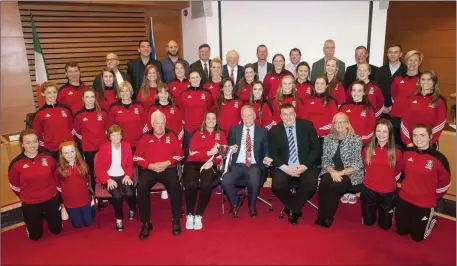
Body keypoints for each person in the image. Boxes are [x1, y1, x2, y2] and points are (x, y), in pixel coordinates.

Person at [395, 124, 450, 242]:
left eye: (422, 135)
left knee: (417, 238)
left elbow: (445, 183)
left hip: (424, 202)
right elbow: (398, 170)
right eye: (415, 135)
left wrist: (434, 197)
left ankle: (432, 218)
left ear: (430, 136)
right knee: (401, 231)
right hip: (405, 197)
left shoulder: (439, 158)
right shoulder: (407, 154)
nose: (418, 139)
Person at [134, 111, 184, 239]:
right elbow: (137, 158)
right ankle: (146, 222)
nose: (160, 126)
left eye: (162, 123)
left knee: (175, 185)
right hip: (150, 169)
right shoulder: (145, 137)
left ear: (165, 123)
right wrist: (150, 165)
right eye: (157, 123)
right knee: (142, 187)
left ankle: (176, 219)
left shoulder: (171, 135)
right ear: (152, 124)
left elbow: (179, 154)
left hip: (168, 168)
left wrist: (168, 162)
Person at [269, 104, 321, 225]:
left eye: (291, 113)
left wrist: (305, 166)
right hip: (285, 166)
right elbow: (274, 154)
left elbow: (316, 149)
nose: (288, 117)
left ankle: (293, 208)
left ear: (295, 114)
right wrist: (286, 168)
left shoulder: (307, 126)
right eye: (285, 114)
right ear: (281, 116)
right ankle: (296, 207)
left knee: (310, 184)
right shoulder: (274, 131)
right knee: (277, 185)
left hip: (304, 165)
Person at [8, 129, 62, 241]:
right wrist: (26, 196)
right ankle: (29, 222)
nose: (32, 145)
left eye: (35, 142)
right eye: (28, 143)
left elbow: (55, 175)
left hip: (50, 197)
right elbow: (14, 185)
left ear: (38, 142)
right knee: (35, 237)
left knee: (57, 230)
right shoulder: (16, 164)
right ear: (22, 144)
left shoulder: (48, 157)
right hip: (30, 201)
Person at [221, 105, 272, 219]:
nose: (247, 118)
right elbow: (228, 146)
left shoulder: (262, 131)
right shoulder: (234, 129)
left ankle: (252, 205)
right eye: (244, 115)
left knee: (254, 179)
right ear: (241, 117)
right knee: (225, 180)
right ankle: (235, 201)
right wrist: (231, 149)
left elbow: (266, 149)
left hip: (254, 164)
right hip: (237, 165)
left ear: (254, 116)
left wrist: (266, 158)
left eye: (249, 115)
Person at [315, 112, 364, 228]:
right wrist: (332, 172)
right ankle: (320, 214)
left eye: (342, 122)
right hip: (331, 171)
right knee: (324, 183)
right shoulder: (328, 138)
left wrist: (339, 173)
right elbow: (325, 159)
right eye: (336, 122)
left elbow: (356, 164)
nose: (339, 124)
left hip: (349, 173)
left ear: (347, 124)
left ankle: (328, 217)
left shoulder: (355, 139)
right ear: (333, 124)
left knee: (335, 186)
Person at [183, 111, 227, 230]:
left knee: (206, 184)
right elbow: (192, 155)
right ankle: (190, 214)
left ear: (216, 121)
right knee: (191, 184)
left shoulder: (221, 134)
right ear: (205, 120)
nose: (211, 121)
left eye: (214, 119)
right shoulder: (197, 133)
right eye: (209, 118)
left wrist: (212, 162)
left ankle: (198, 215)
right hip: (193, 164)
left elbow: (222, 154)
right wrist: (208, 153)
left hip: (210, 164)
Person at [361, 119, 402, 230]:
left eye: (385, 131)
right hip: (369, 189)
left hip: (387, 191)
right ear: (375, 132)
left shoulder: (397, 151)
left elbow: (399, 169)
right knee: (368, 223)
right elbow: (365, 166)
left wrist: (388, 179)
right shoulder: (366, 148)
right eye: (378, 131)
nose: (381, 134)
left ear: (390, 133)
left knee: (385, 226)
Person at [95, 125, 136, 231]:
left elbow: (130, 164)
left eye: (118, 135)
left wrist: (127, 175)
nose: (116, 138)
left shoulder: (127, 146)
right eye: (113, 135)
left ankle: (132, 209)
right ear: (109, 136)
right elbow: (99, 168)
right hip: (109, 176)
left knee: (130, 193)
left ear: (122, 136)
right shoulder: (104, 147)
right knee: (117, 196)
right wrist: (107, 179)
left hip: (123, 175)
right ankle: (119, 219)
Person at [73, 88, 110, 191]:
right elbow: (76, 132)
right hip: (89, 149)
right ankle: (96, 193)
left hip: (103, 147)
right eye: (87, 97)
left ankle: (109, 190)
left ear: (95, 99)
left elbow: (108, 130)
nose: (90, 99)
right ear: (83, 99)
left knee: (106, 169)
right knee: (93, 171)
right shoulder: (79, 115)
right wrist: (86, 140)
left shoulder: (103, 113)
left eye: (92, 97)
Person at [400, 70, 447, 148]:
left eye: (429, 79)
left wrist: (428, 142)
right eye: (423, 79)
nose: (426, 82)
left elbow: (440, 124)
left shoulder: (439, 101)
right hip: (411, 142)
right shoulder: (411, 99)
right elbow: (404, 122)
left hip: (429, 144)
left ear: (434, 82)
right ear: (419, 81)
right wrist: (408, 142)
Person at [55, 141, 94, 229]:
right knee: (77, 225)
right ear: (62, 154)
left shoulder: (84, 166)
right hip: (70, 202)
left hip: (84, 200)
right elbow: (58, 187)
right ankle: (66, 210)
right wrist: (63, 204)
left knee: (88, 223)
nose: (69, 155)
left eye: (72, 151)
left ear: (76, 151)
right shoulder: (59, 170)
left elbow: (87, 181)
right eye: (66, 153)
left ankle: (91, 205)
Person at [33, 81, 74, 161]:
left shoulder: (66, 109)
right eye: (49, 93)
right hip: (52, 151)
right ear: (43, 93)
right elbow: (38, 135)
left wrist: (70, 142)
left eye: (54, 92)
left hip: (68, 149)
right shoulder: (39, 114)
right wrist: (46, 147)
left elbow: (72, 129)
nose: (52, 95)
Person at [390, 50, 423, 147]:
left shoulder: (423, 80)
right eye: (410, 60)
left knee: (411, 147)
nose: (412, 63)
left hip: (413, 119)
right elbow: (393, 95)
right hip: (397, 118)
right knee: (396, 147)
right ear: (406, 61)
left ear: (419, 62)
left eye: (415, 60)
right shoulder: (398, 79)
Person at [179, 70, 213, 156]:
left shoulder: (207, 93)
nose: (195, 79)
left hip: (204, 129)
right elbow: (181, 111)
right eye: (192, 78)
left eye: (197, 77)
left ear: (200, 78)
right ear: (189, 80)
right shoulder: (184, 94)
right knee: (190, 154)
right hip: (189, 130)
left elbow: (209, 110)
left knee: (204, 152)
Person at [108, 81, 146, 153]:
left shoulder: (139, 106)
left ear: (131, 91)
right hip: (121, 144)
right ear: (119, 93)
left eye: (127, 90)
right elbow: (110, 127)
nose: (124, 93)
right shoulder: (114, 107)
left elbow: (145, 124)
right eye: (122, 91)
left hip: (139, 143)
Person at [373, 44, 407, 117]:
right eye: (390, 52)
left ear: (400, 54)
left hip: (399, 112)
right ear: (387, 54)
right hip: (382, 110)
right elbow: (375, 90)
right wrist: (381, 107)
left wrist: (394, 107)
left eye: (395, 52)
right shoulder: (380, 70)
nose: (393, 54)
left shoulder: (406, 71)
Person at [339, 81, 376, 145]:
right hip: (343, 143)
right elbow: (338, 124)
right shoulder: (344, 106)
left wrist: (359, 141)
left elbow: (371, 130)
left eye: (359, 91)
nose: (356, 93)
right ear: (351, 92)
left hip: (361, 144)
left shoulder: (369, 108)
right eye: (354, 90)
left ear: (364, 92)